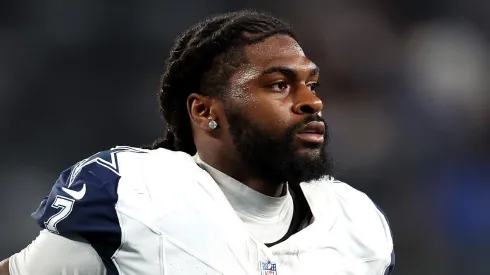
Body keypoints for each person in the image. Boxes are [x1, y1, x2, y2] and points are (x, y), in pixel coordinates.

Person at [0, 10, 394, 275]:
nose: (312, 102)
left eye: (311, 84)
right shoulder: (133, 194)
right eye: (279, 85)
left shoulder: (356, 220)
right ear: (206, 112)